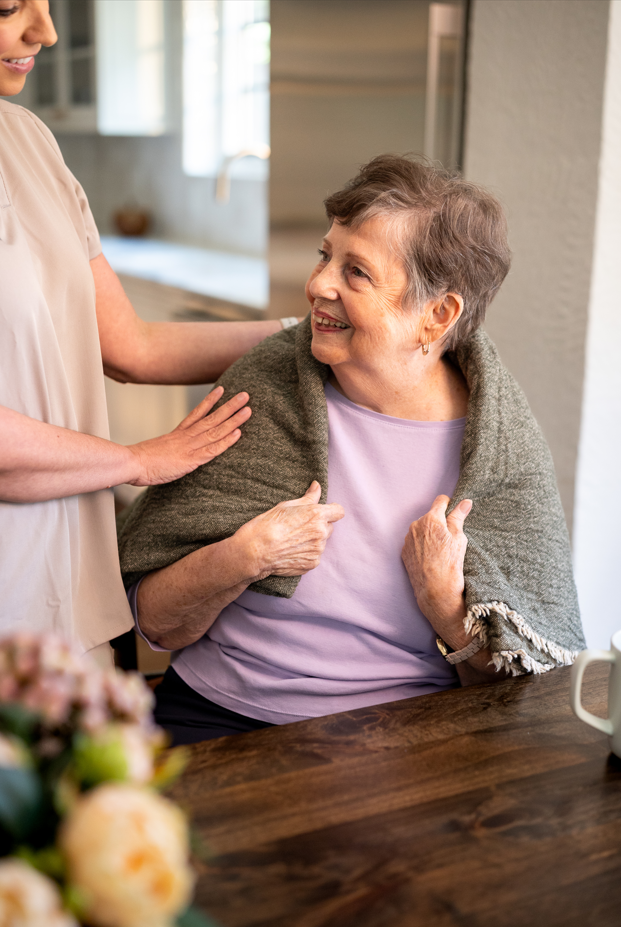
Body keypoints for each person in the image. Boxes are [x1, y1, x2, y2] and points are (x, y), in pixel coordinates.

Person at [118, 154, 586, 744]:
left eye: (356, 272)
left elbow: (518, 690)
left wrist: (448, 611)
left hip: (411, 737)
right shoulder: (263, 390)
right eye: (324, 255)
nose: (317, 285)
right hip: (220, 717)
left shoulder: (498, 452)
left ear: (437, 315)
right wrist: (246, 556)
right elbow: (157, 623)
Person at [0, 0, 292, 666]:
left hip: (78, 585)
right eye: (9, 7)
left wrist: (301, 331)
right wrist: (138, 460)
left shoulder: (31, 142)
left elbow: (132, 347)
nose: (43, 32)